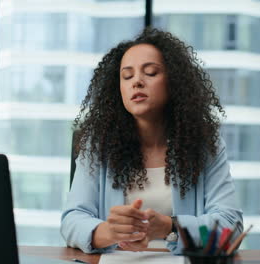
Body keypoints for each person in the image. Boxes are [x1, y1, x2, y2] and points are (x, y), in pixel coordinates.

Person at [61, 27, 243, 255]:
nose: (136, 81)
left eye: (151, 72)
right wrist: (111, 231)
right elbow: (71, 221)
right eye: (127, 76)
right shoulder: (98, 146)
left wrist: (169, 227)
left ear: (173, 82)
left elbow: (230, 227)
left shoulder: (204, 145)